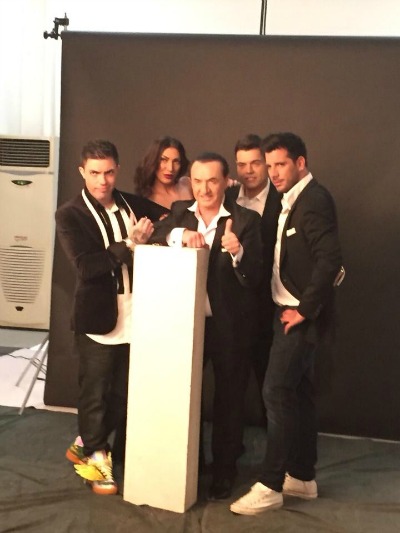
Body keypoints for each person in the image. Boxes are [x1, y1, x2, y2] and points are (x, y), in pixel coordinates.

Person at [230, 132, 343, 515]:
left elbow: (330, 260)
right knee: (299, 394)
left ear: (301, 163)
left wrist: (304, 310)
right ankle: (302, 477)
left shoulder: (313, 200)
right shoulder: (291, 198)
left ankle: (270, 484)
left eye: (281, 164)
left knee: (276, 392)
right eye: (271, 165)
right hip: (288, 311)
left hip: (298, 317)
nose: (274, 172)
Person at [150, 152, 263, 500]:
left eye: (212, 181)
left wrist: (238, 252)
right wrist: (181, 234)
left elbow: (257, 275)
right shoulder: (180, 212)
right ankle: (192, 465)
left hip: (230, 328)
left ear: (226, 182)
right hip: (185, 325)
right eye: (198, 181)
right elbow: (157, 235)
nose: (204, 189)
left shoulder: (246, 220)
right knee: (185, 396)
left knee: (229, 400)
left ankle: (224, 471)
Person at [56, 140, 155, 496]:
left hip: (137, 313)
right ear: (82, 171)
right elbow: (87, 267)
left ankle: (86, 442)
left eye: (109, 172)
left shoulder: (130, 203)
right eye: (95, 173)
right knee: (95, 393)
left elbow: (172, 215)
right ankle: (95, 462)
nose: (103, 180)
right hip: (98, 317)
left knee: (125, 394)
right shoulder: (70, 214)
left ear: (117, 170)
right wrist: (129, 244)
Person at [226, 134, 281, 399]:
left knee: (269, 384)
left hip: (268, 305)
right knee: (230, 383)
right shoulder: (225, 196)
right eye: (241, 164)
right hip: (228, 304)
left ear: (266, 163)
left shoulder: (282, 200)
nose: (248, 171)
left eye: (255, 163)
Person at [133, 136, 192, 211]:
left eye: (176, 161)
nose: (170, 168)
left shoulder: (187, 184)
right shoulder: (146, 200)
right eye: (164, 160)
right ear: (153, 161)